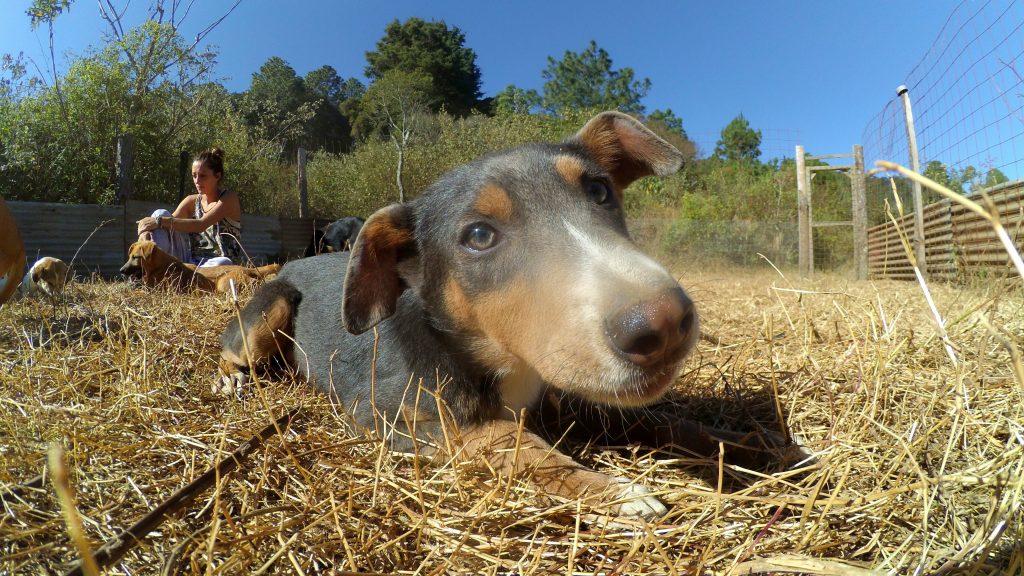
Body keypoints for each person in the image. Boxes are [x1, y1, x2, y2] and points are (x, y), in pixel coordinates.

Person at [136, 148, 243, 267]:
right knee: (160, 213)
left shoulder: (229, 198)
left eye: (203, 176)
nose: (197, 181)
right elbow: (167, 226)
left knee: (224, 262)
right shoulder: (191, 201)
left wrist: (158, 222)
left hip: (218, 263)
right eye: (194, 176)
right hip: (191, 262)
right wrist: (145, 230)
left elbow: (201, 224)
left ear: (217, 176)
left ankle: (183, 275)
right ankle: (153, 269)